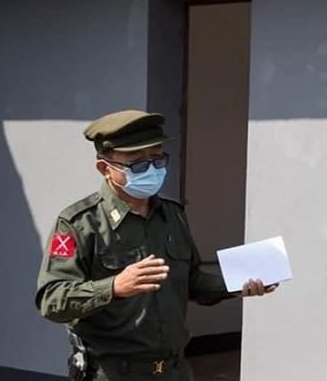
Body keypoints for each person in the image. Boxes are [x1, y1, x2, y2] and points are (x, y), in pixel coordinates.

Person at [35, 110, 275, 381]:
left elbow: (190, 281)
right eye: (137, 164)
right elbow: (51, 299)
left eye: (157, 159)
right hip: (114, 373)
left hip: (173, 370)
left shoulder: (172, 214)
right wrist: (114, 287)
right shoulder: (79, 223)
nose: (151, 170)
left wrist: (237, 284)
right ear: (105, 169)